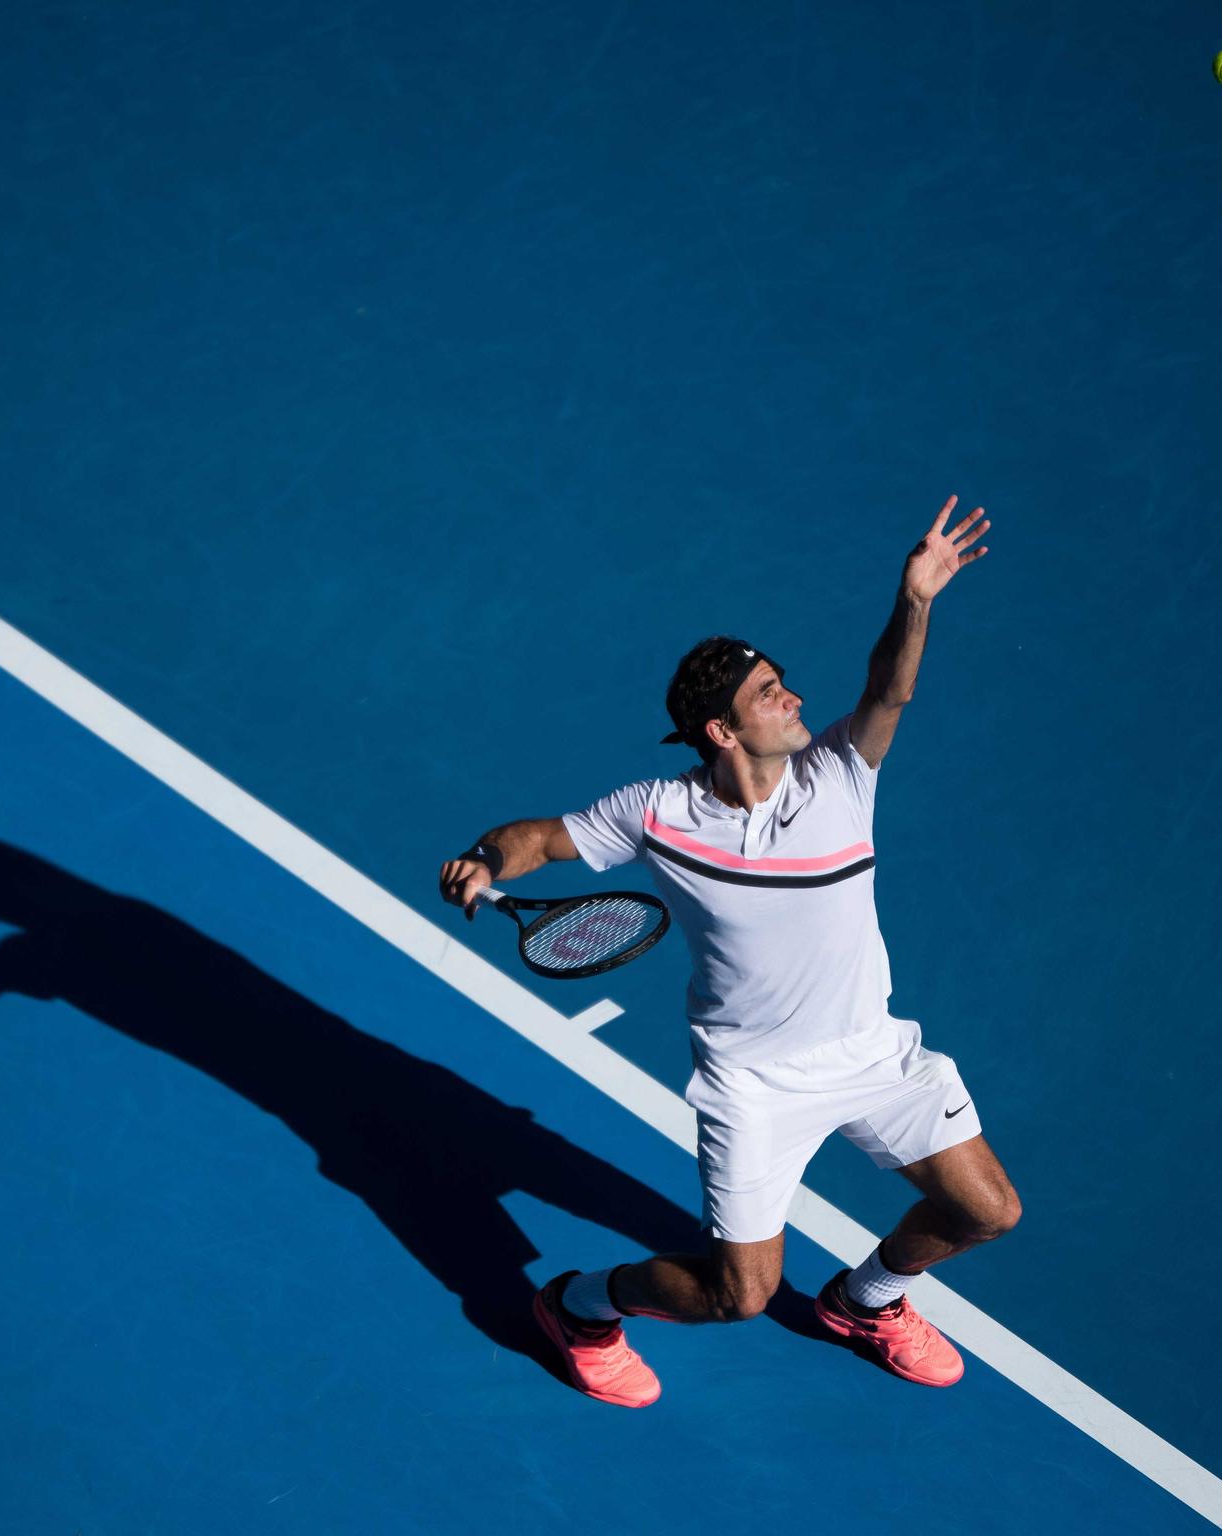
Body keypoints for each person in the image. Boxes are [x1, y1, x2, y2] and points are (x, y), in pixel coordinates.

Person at [437, 495, 1021, 1407]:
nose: (793, 696)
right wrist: (484, 857)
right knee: (734, 1295)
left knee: (986, 1211)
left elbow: (889, 691)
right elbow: (542, 839)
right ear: (722, 731)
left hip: (871, 1051)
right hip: (755, 1085)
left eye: (783, 681)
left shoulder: (840, 775)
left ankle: (866, 1301)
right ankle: (579, 1306)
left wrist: (917, 599)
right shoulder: (659, 813)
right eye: (767, 693)